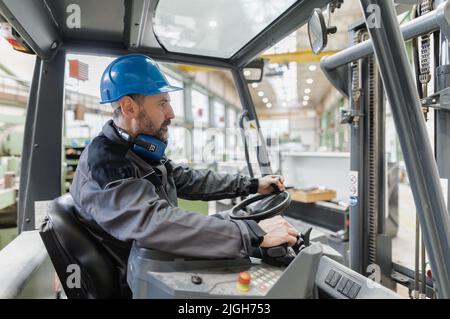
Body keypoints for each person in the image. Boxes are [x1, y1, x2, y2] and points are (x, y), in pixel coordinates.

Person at [70, 53, 299, 297]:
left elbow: (186, 179)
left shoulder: (137, 149)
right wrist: (252, 234)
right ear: (129, 107)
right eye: (162, 103)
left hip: (154, 257)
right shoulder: (105, 161)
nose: (171, 113)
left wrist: (252, 185)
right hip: (135, 276)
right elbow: (153, 221)